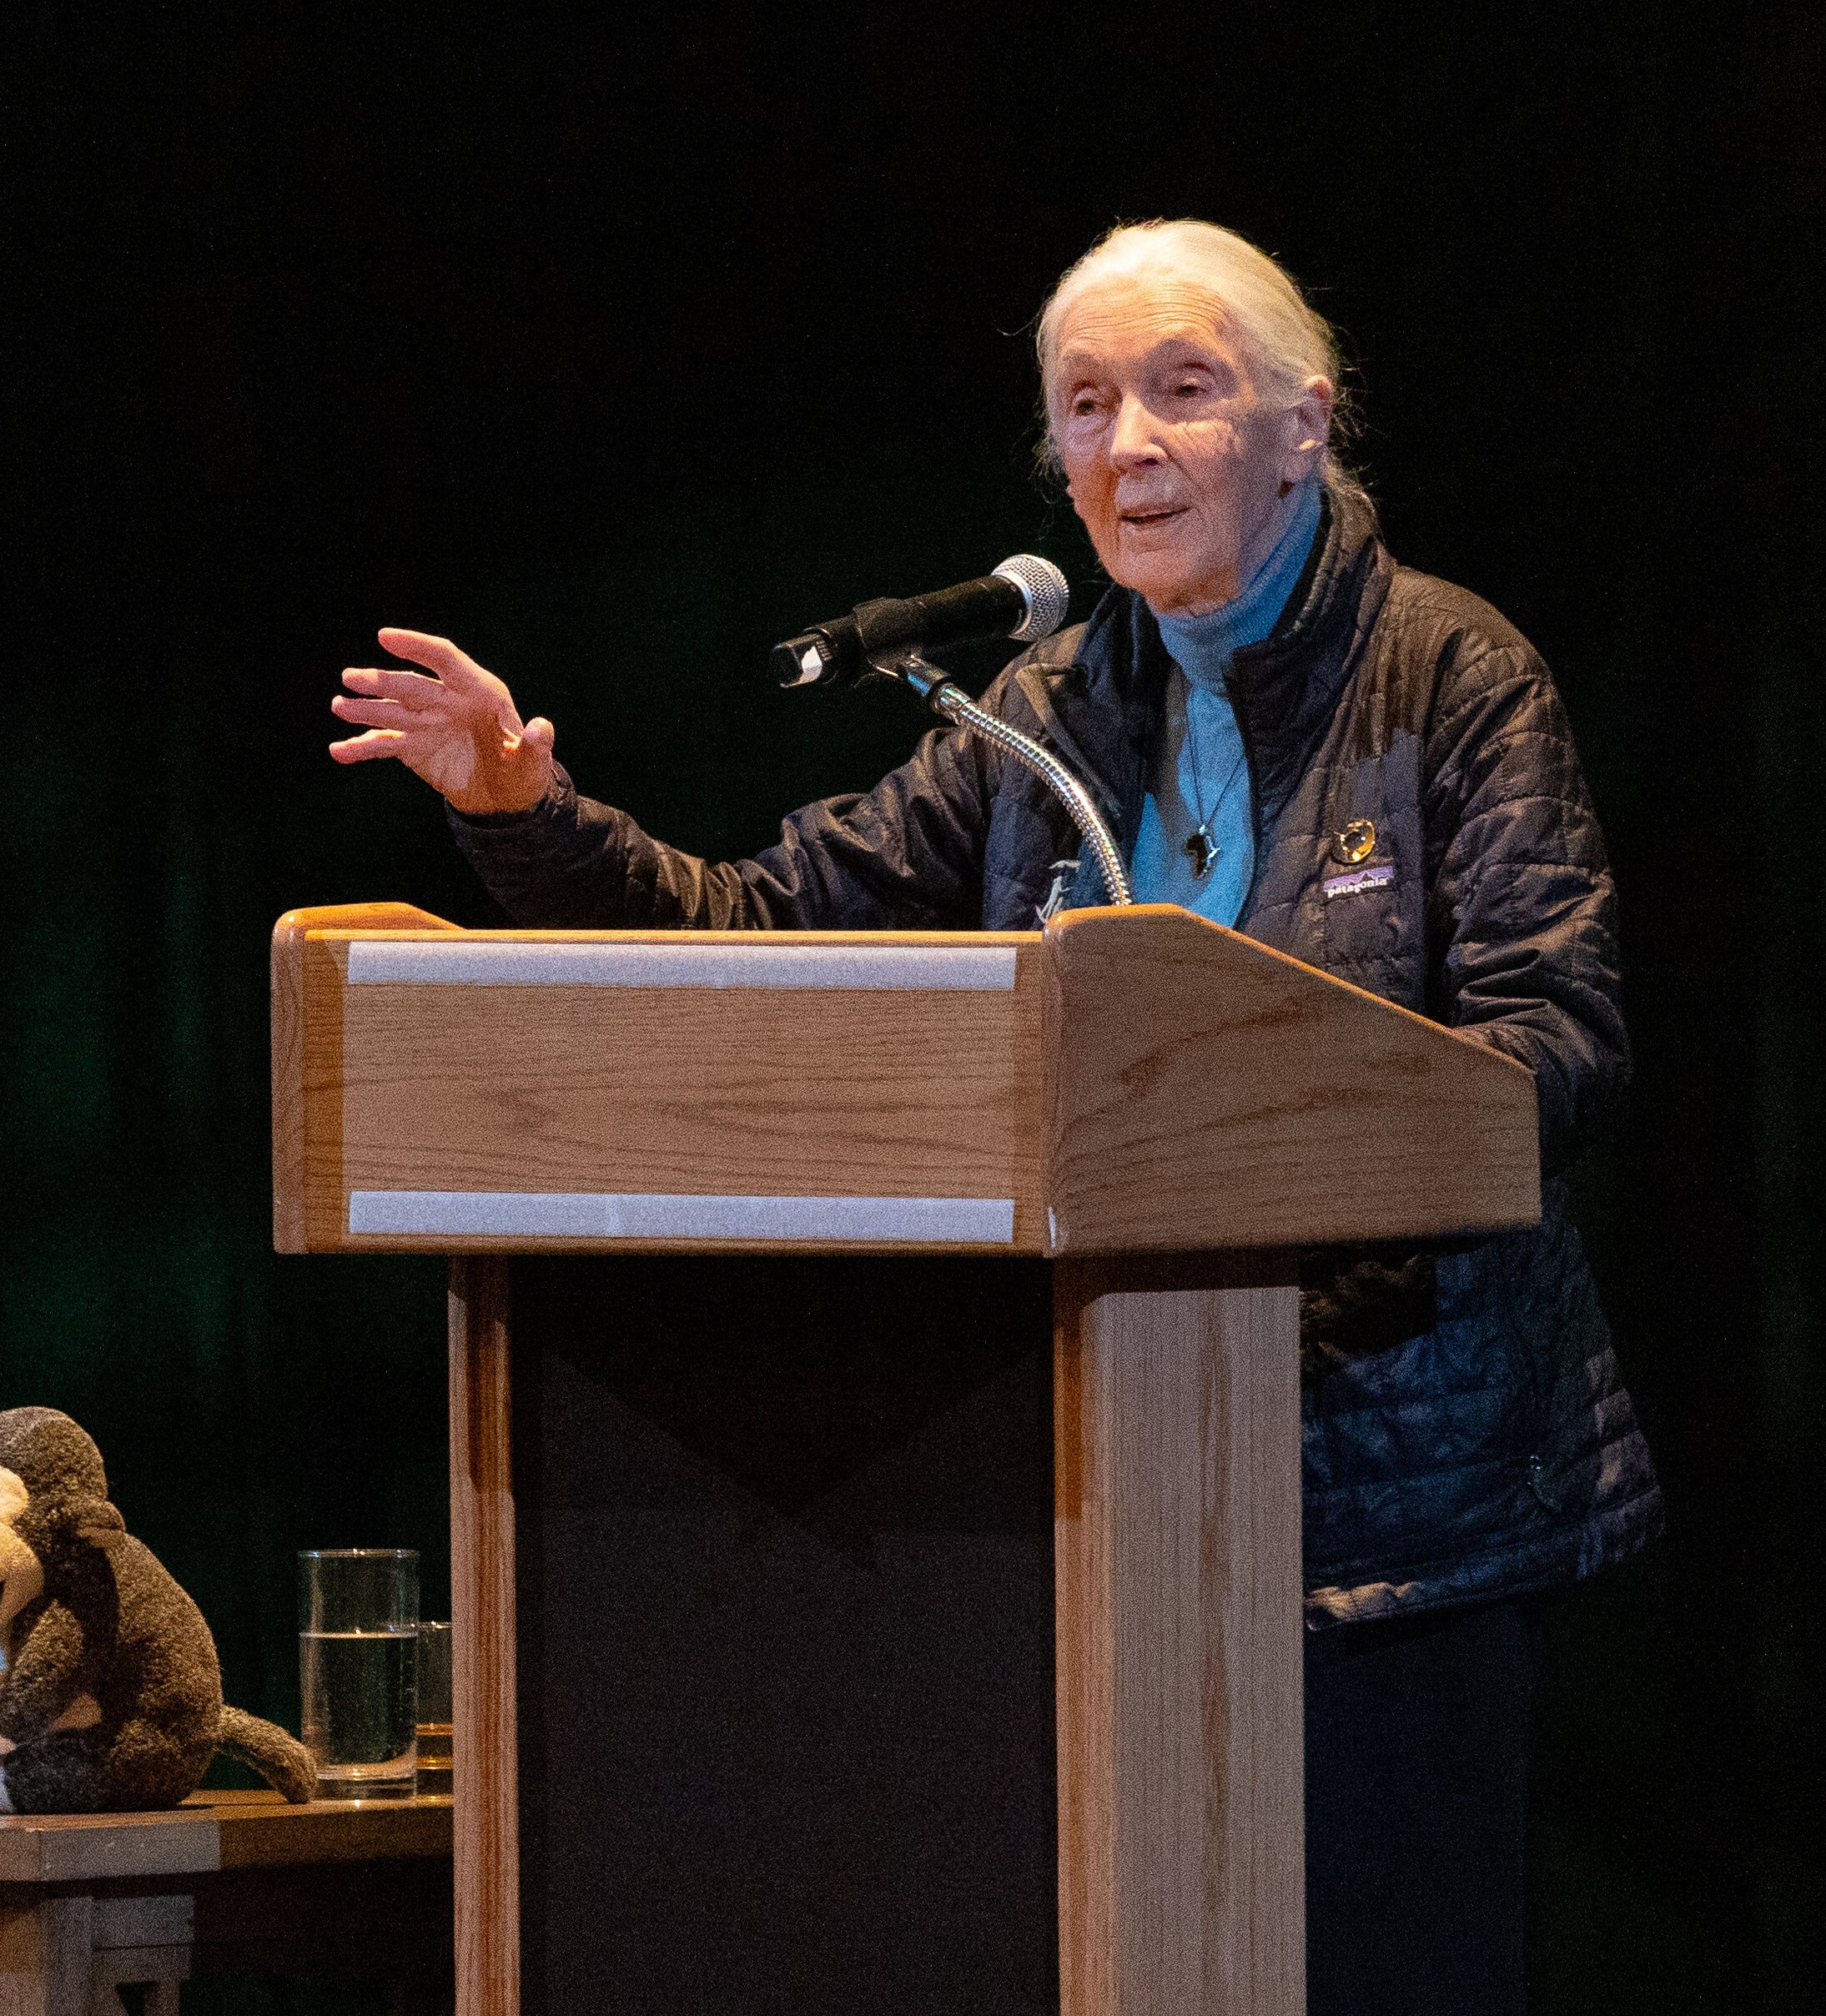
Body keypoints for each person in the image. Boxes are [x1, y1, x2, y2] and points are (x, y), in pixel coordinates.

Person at [324, 218, 1660, 2016]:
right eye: (1087, 406)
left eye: (1183, 393)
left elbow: (1547, 1052)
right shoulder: (1039, 713)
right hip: (1087, 1488)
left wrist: (1256, 1172)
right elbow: (761, 936)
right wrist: (526, 806)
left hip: (1388, 1530)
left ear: (1302, 428)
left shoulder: (1448, 676)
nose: (1126, 447)